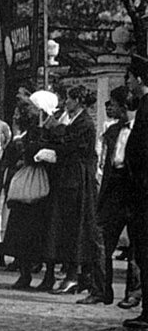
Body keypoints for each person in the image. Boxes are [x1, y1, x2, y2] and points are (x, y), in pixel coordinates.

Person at [39, 84, 102, 297]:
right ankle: (74, 276)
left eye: (69, 99)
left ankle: (74, 276)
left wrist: (56, 129)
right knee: (66, 227)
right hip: (68, 178)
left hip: (78, 180)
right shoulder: (73, 119)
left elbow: (69, 144)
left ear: (77, 101)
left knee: (76, 227)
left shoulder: (84, 123)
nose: (66, 102)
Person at [84, 86, 138, 306]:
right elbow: (105, 165)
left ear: (123, 105)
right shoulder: (111, 132)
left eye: (113, 104)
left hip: (134, 192)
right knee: (101, 241)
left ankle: (133, 293)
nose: (109, 108)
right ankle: (100, 290)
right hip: (112, 192)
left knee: (136, 245)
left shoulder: (141, 130)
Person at [0, 103, 50, 289]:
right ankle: (25, 272)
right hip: (26, 190)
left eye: (19, 113)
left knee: (29, 234)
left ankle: (27, 273)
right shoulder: (25, 136)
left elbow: (32, 154)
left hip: (32, 189)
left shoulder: (35, 134)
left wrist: (23, 152)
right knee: (24, 234)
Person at [122, 53, 148, 331]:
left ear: (139, 78)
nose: (127, 82)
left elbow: (141, 151)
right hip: (140, 187)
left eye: (129, 77)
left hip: (143, 190)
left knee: (144, 250)